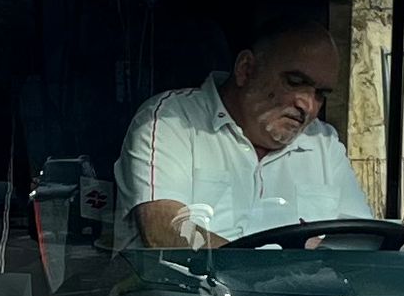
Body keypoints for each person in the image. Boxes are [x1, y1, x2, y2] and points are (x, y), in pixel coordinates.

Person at [119, 16, 374, 250]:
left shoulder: (323, 144)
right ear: (246, 69)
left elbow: (361, 243)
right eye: (295, 83)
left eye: (320, 94)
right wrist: (266, 272)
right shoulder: (173, 121)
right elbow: (164, 230)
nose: (307, 105)